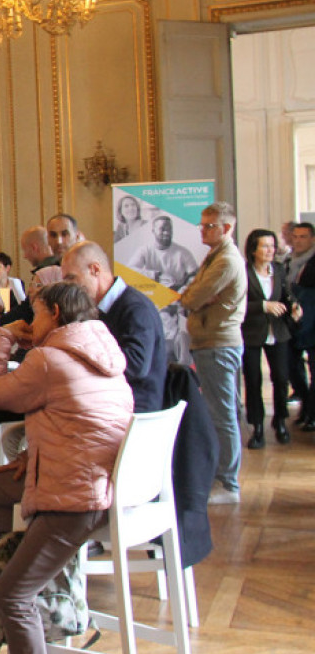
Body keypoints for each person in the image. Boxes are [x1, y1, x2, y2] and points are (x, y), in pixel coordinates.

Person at [0, 281, 132, 654]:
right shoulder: (105, 351)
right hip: (96, 484)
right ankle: (16, 550)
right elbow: (73, 418)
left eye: (36, 314)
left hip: (73, 499)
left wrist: (1, 337)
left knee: (11, 594)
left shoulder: (48, 360)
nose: (31, 322)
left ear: (55, 314)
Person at [178, 202, 245, 504]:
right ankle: (222, 476)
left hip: (218, 343)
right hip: (210, 341)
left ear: (226, 228)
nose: (203, 230)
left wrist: (197, 297)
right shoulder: (215, 256)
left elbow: (192, 298)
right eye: (202, 225)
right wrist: (197, 296)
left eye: (209, 226)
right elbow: (192, 293)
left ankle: (228, 483)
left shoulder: (226, 260)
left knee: (223, 414)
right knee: (220, 411)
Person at [60, 242, 167, 412]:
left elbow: (137, 366)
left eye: (72, 278)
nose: (69, 287)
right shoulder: (102, 309)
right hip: (114, 401)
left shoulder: (136, 308)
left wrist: (82, 358)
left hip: (135, 409)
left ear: (95, 270)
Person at [240, 228, 295, 448]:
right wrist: (263, 306)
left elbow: (287, 295)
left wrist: (294, 307)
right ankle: (257, 427)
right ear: (253, 249)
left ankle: (280, 420)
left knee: (281, 378)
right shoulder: (244, 272)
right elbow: (237, 304)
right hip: (252, 332)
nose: (270, 250)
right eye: (265, 246)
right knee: (253, 381)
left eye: (272, 246)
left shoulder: (279, 270)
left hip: (278, 331)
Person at [129, 215, 199, 364]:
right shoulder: (145, 250)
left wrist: (183, 290)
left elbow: (196, 276)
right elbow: (129, 272)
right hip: (151, 306)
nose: (166, 233)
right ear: (153, 230)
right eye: (162, 229)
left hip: (177, 307)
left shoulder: (182, 252)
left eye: (169, 229)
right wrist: (155, 274)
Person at [285, 222, 315, 429]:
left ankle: (311, 414)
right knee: (291, 367)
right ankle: (306, 405)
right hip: (291, 324)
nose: (298, 240)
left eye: (303, 237)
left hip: (312, 324)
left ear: (312, 239)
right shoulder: (287, 262)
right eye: (295, 236)